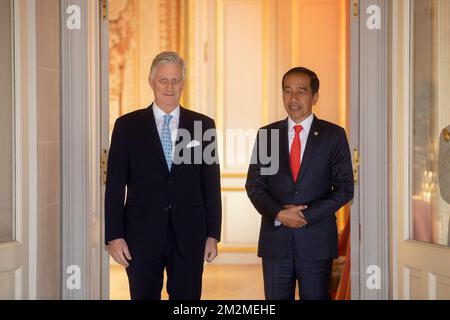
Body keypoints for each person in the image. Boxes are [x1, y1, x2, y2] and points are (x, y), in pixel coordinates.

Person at [105, 51, 222, 300]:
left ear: (182, 82)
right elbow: (115, 186)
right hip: (141, 236)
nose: (169, 87)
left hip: (190, 235)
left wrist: (213, 234)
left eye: (175, 80)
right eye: (163, 80)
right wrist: (114, 236)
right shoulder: (127, 126)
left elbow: (210, 184)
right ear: (151, 81)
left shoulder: (203, 125)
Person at [245, 67, 354, 300]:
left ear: (314, 97)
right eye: (287, 91)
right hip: (275, 243)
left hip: (315, 241)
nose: (293, 99)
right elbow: (254, 185)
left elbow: (345, 187)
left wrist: (306, 215)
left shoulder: (333, 135)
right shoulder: (268, 135)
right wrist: (279, 213)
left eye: (301, 92)